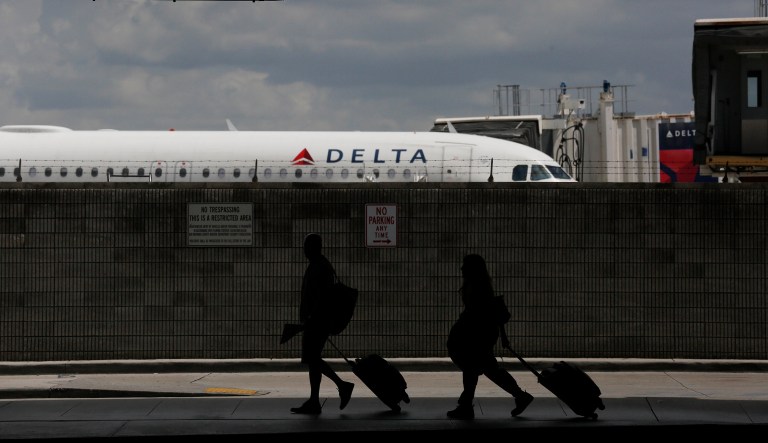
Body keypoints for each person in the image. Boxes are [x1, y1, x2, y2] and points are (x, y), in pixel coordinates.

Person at [445, 253, 534, 419]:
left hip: (476, 335)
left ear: (473, 269)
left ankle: (466, 405)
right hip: (479, 334)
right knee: (486, 369)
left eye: (465, 266)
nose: (462, 268)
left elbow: (484, 313)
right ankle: (519, 396)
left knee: (477, 368)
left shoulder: (478, 287)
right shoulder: (477, 284)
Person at [290, 233, 355, 415]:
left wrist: (310, 318)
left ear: (314, 247)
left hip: (317, 321)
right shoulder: (320, 265)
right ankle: (315, 400)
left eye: (306, 246)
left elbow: (321, 297)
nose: (304, 250)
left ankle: (341, 386)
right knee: (313, 360)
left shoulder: (320, 267)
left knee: (313, 359)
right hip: (317, 320)